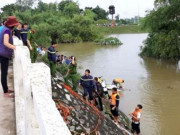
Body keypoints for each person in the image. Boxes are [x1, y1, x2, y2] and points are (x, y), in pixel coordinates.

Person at [0, 16, 19, 98]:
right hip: (3, 54)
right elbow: (6, 43)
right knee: (4, 73)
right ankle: (5, 92)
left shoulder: (3, 28)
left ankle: (6, 89)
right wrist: (15, 47)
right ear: (12, 25)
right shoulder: (7, 31)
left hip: (1, 53)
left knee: (4, 72)